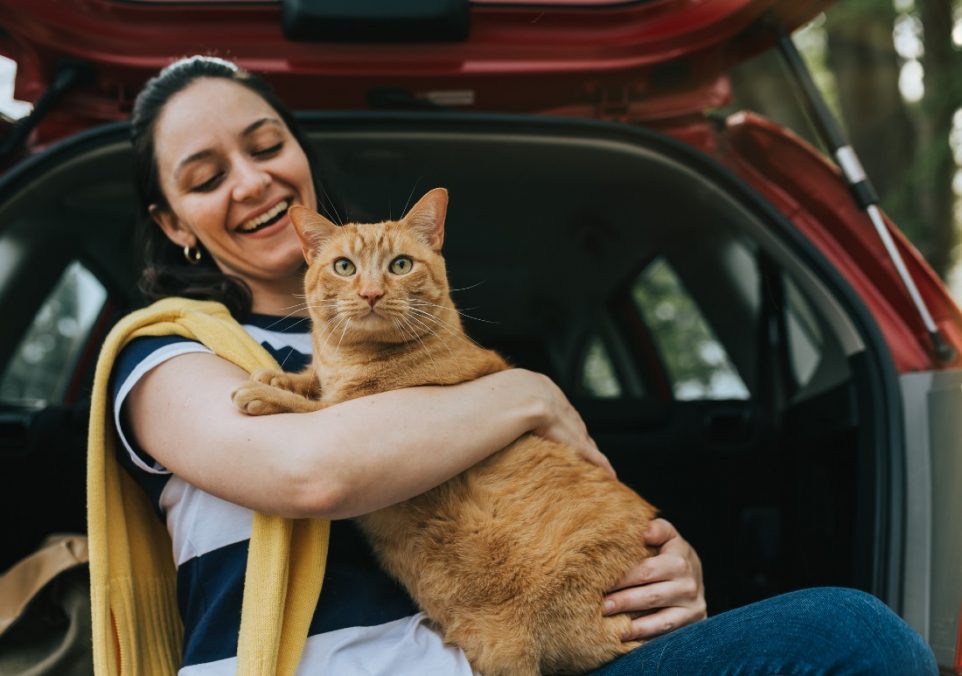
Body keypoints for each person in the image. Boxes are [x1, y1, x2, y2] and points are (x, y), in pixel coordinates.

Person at [99, 55, 936, 674]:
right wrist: (529, 393)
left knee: (853, 636)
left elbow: (550, 494)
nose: (250, 182)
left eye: (266, 145)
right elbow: (310, 470)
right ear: (172, 223)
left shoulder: (453, 355)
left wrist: (659, 566)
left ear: (301, 160)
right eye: (206, 177)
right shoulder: (171, 350)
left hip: (505, 653)